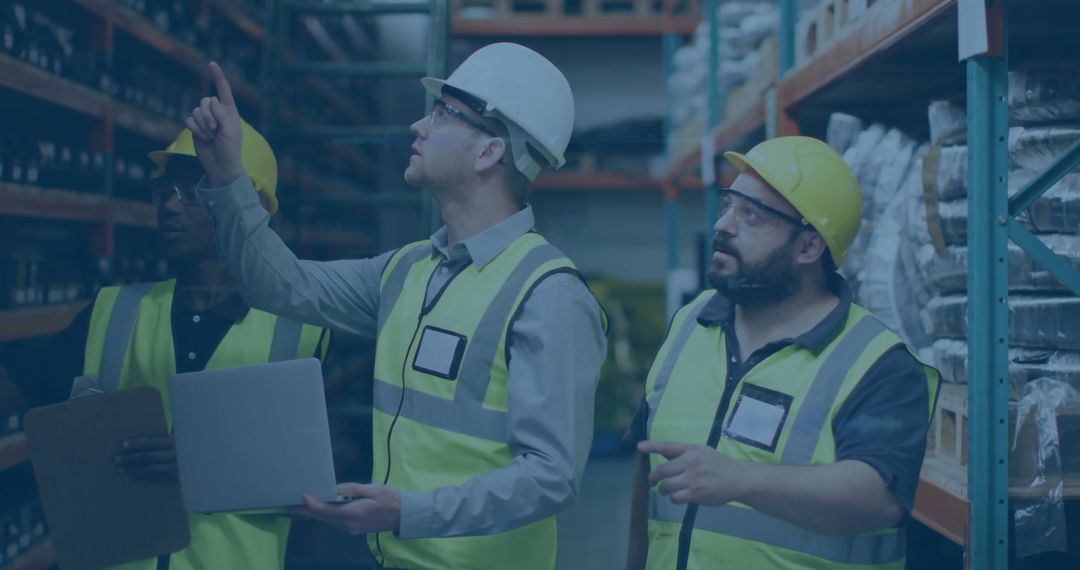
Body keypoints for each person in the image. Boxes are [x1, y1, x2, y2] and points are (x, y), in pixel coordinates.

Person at [183, 43, 607, 570]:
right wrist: (228, 177)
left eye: (443, 113)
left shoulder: (547, 294)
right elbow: (282, 286)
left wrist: (409, 513)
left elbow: (551, 476)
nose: (418, 126)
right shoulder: (407, 270)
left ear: (489, 152)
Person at [0, 122, 331, 570]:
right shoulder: (113, 310)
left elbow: (316, 479)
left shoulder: (303, 328)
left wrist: (204, 461)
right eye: (163, 191)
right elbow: (21, 384)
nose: (171, 208)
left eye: (193, 192)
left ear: (246, 205)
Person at [625, 136, 940, 570]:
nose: (724, 225)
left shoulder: (878, 363)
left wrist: (740, 479)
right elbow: (649, 476)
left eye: (751, 215)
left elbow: (879, 497)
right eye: (728, 205)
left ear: (809, 247)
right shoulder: (690, 324)